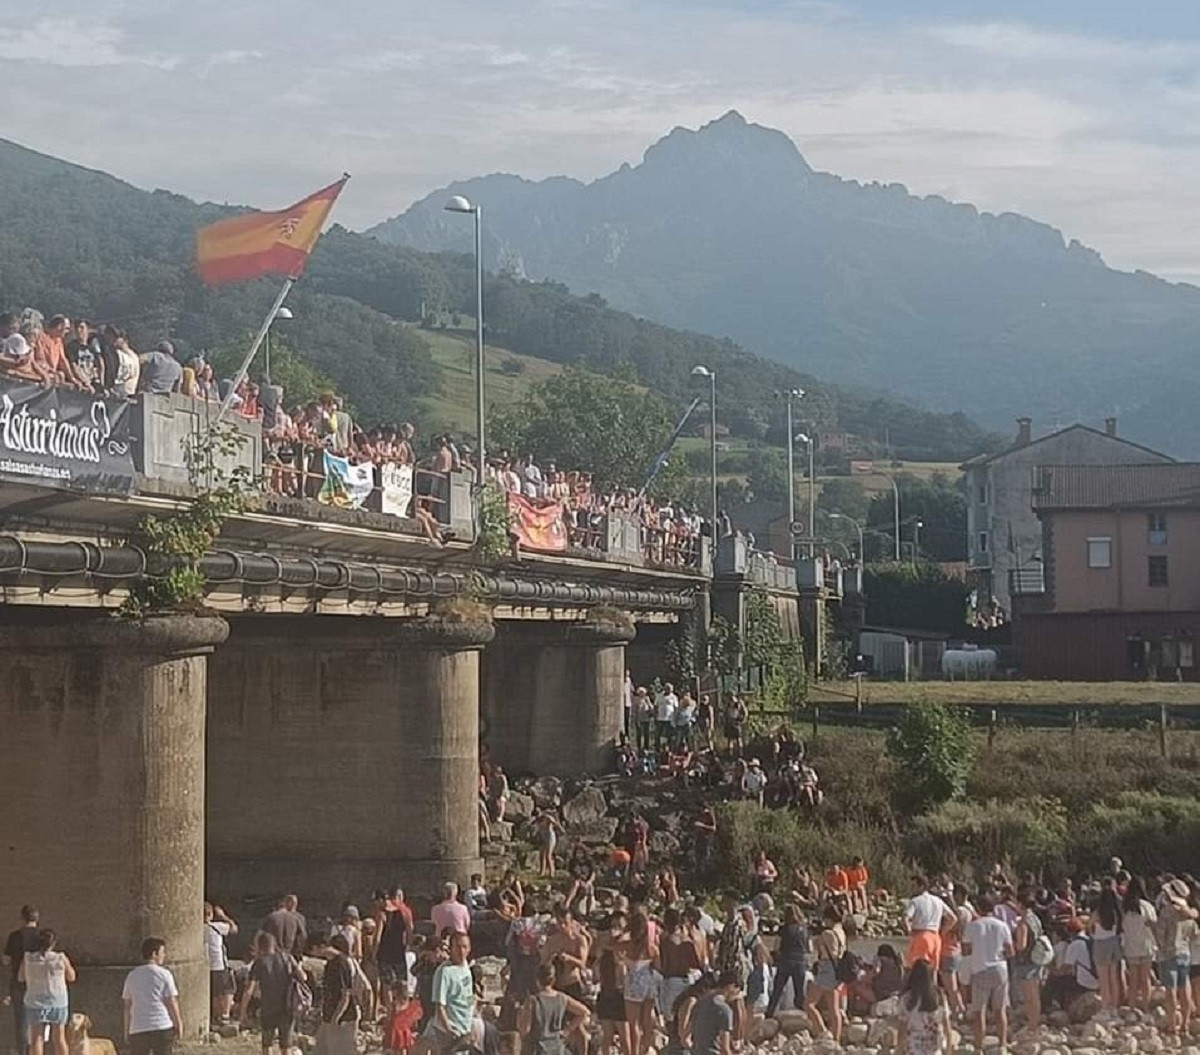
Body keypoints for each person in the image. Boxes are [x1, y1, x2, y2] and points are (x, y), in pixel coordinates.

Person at [239, 931, 305, 1055]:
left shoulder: (259, 963)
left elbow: (249, 990)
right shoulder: (287, 957)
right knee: (286, 1045)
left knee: (267, 1045)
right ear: (274, 944)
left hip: (268, 1008)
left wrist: (243, 1012)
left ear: (260, 946)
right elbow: (303, 977)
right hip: (287, 1006)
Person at [962, 896, 1014, 1054]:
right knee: (1000, 1010)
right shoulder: (1002, 925)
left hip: (980, 969)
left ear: (978, 908)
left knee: (979, 1011)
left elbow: (965, 951)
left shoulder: (972, 926)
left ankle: (979, 1046)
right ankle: (1002, 1044)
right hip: (999, 969)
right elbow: (1011, 951)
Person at [418, 932, 482, 1055]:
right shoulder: (444, 972)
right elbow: (439, 1005)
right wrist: (448, 1029)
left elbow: (468, 995)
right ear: (451, 948)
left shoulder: (466, 967)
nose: (461, 951)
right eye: (458, 947)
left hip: (465, 1027)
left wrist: (474, 1014)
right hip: (448, 1029)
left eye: (464, 947)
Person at [122, 938, 182, 1055]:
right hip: (161, 1025)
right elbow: (171, 1001)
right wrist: (178, 1022)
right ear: (154, 954)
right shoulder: (164, 974)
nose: (164, 955)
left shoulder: (132, 975)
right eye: (162, 952)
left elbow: (127, 1005)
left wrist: (127, 1030)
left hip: (138, 1027)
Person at [20, 929, 75, 1055]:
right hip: (58, 1000)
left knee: (37, 1038)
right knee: (59, 1038)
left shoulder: (28, 958)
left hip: (35, 1001)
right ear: (53, 943)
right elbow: (71, 976)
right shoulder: (60, 958)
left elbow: (20, 977)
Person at [517, 962, 589, 1055]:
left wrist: (520, 1014)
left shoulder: (532, 1001)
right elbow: (584, 1012)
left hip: (537, 1048)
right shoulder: (562, 998)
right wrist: (568, 1030)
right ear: (553, 980)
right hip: (557, 1047)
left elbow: (524, 1029)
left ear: (536, 980)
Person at [1156, 879, 1198, 1038]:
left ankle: (1172, 1025)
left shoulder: (1166, 912)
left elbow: (1161, 936)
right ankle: (1185, 1025)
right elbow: (1194, 934)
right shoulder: (1189, 913)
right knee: (1184, 988)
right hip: (1185, 953)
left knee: (1171, 991)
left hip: (1168, 954)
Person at [806, 905, 846, 1045]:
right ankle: (836, 1039)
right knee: (834, 1008)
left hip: (826, 968)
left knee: (809, 1004)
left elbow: (815, 948)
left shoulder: (827, 933)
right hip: (837, 969)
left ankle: (823, 1032)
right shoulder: (841, 931)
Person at [621, 910, 659, 1055]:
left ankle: (635, 1052)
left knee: (633, 1023)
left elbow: (608, 944)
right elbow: (659, 965)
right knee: (647, 1020)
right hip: (648, 981)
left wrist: (623, 931)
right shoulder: (651, 947)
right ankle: (646, 1047)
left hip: (633, 982)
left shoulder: (628, 945)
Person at [1010, 888, 1047, 1036]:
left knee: (1028, 996)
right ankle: (1034, 1023)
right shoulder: (1035, 918)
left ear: (1020, 903)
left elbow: (1021, 945)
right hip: (1037, 958)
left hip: (1025, 961)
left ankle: (1031, 1025)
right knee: (1035, 994)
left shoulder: (1023, 922)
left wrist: (1011, 944)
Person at [4, 905, 41, 1055]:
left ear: (22, 918)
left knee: (21, 1019)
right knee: (37, 1021)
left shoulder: (14, 936)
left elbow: (6, 960)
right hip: (38, 982)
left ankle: (22, 1051)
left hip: (18, 983)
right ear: (37, 919)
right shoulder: (42, 936)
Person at [897, 959, 952, 1055]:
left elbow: (902, 1032)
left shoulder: (907, 1000)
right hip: (934, 1050)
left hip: (913, 1050)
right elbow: (947, 1029)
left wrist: (898, 1052)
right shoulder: (939, 997)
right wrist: (948, 1050)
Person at [317, 933, 360, 1055]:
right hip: (330, 1016)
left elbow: (345, 994)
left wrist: (336, 1017)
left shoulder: (340, 963)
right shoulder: (331, 963)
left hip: (343, 1018)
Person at [1121, 876, 1159, 1010]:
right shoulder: (1147, 906)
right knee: (1145, 979)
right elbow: (1154, 925)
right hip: (1147, 945)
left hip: (1131, 947)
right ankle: (1145, 1007)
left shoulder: (1125, 907)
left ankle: (1132, 1007)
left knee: (1133, 981)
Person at [766, 904, 809, 1019]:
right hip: (800, 961)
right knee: (799, 992)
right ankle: (804, 1015)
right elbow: (809, 948)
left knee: (777, 990)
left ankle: (769, 1015)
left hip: (785, 961)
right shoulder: (804, 929)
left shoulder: (784, 928)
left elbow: (776, 947)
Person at [904, 876, 955, 969]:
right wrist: (942, 932)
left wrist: (909, 931)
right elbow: (953, 918)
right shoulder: (938, 901)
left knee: (915, 968)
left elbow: (905, 918)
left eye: (913, 886)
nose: (911, 889)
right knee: (933, 969)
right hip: (935, 937)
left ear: (921, 886)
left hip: (920, 935)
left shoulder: (915, 901)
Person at [377, 888, 414, 1006]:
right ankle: (403, 1008)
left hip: (385, 952)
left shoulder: (381, 913)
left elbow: (377, 936)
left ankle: (390, 1011)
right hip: (399, 951)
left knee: (387, 984)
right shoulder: (405, 911)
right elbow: (410, 931)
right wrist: (408, 946)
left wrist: (373, 953)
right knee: (402, 981)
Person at [203, 903, 238, 1025]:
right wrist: (223, 916)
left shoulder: (197, 930)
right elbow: (234, 929)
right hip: (219, 963)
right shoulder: (216, 927)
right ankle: (225, 1015)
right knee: (228, 989)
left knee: (214, 992)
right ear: (210, 915)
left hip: (205, 965)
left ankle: (215, 1016)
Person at [690, 971, 741, 1055]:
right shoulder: (724, 1010)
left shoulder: (700, 1002)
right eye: (737, 992)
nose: (735, 997)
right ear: (731, 986)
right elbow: (725, 1049)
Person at [1089, 883, 1123, 1010]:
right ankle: (1114, 1005)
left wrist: (1094, 933)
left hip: (1101, 943)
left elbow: (1089, 927)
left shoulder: (1098, 913)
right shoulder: (1117, 913)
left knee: (1103, 979)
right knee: (1113, 978)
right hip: (1113, 942)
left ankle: (1105, 1006)